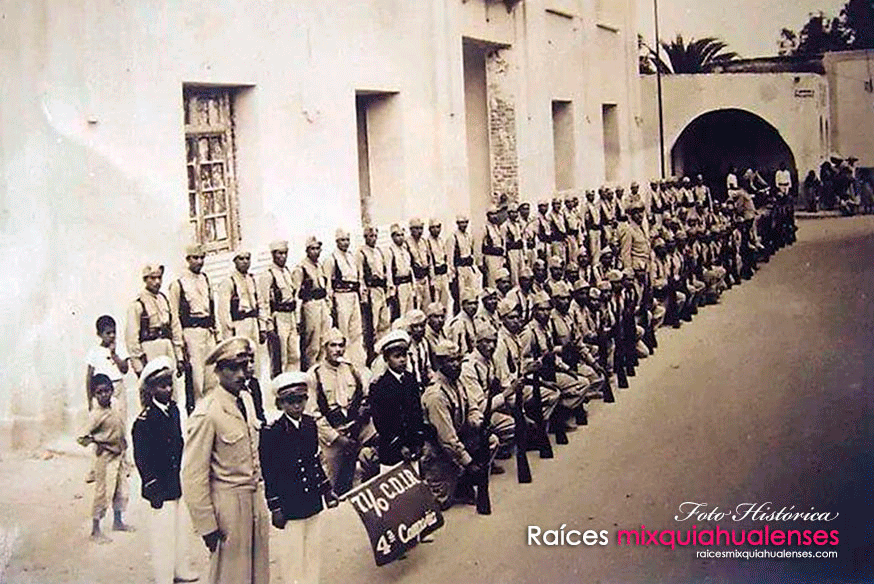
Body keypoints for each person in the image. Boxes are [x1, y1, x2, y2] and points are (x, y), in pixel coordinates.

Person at [182, 337, 269, 584]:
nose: (241, 374)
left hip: (254, 500)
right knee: (231, 576)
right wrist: (207, 525)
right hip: (228, 506)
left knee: (258, 574)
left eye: (244, 366)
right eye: (232, 368)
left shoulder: (247, 400)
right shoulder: (207, 412)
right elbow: (193, 475)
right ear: (218, 371)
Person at [260, 372, 339, 584]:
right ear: (280, 404)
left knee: (313, 550)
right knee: (292, 554)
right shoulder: (271, 432)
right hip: (290, 501)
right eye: (290, 401)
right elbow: (270, 472)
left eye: (301, 400)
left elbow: (315, 460)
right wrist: (275, 507)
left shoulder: (310, 424)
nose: (296, 406)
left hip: (311, 497)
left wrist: (327, 490)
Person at [132, 357, 198, 584]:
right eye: (162, 386)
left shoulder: (175, 411)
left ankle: (180, 568)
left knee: (180, 528)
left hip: (175, 480)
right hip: (159, 486)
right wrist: (152, 486)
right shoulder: (144, 421)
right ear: (150, 389)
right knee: (162, 532)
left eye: (169, 384)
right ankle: (164, 576)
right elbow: (142, 459)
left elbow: (178, 443)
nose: (168, 389)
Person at [420, 340, 492, 510]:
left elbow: (472, 407)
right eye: (450, 361)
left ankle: (462, 483)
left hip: (457, 442)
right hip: (439, 454)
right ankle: (458, 479)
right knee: (440, 502)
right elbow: (447, 439)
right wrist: (469, 463)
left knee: (490, 441)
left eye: (458, 359)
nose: (456, 364)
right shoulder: (436, 395)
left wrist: (476, 422)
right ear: (439, 363)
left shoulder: (457, 381)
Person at [305, 328, 377, 495]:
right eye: (333, 345)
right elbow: (313, 414)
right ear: (325, 348)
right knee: (334, 484)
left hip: (355, 431)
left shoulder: (352, 370)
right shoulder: (315, 375)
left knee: (368, 469)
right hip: (332, 436)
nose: (338, 350)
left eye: (341, 345)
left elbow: (365, 396)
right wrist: (336, 438)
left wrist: (362, 415)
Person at [77, 374, 133, 544]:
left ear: (112, 390)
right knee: (103, 492)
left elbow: (120, 426)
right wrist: (98, 442)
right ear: (94, 395)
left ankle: (118, 521)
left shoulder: (115, 405)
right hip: (105, 458)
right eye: (99, 392)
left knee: (121, 489)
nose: (104, 395)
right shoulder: (95, 415)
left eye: (107, 391)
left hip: (119, 455)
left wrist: (123, 444)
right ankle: (95, 530)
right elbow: (81, 437)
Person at [169, 243, 217, 411]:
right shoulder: (179, 284)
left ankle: (211, 413)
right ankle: (197, 413)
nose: (199, 261)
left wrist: (216, 334)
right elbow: (174, 317)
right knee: (197, 379)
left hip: (208, 332)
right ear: (188, 259)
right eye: (195, 258)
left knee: (212, 376)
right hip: (191, 333)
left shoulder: (205, 279)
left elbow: (212, 307)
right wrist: (179, 345)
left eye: (202, 258)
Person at [459, 322, 513, 469]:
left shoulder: (490, 360)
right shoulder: (470, 366)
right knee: (511, 425)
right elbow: (480, 407)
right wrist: (507, 394)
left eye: (494, 342)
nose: (491, 346)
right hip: (474, 415)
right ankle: (482, 458)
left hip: (489, 406)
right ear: (477, 343)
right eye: (487, 342)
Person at [369, 330, 427, 467]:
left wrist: (418, 441)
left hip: (412, 445)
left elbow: (416, 412)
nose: (402, 360)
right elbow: (381, 421)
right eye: (397, 356)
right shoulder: (379, 386)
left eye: (404, 355)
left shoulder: (410, 379)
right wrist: (398, 445)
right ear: (386, 359)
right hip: (391, 448)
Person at [126, 264, 181, 378]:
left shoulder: (164, 300)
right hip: (149, 349)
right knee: (154, 382)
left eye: (159, 278)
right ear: (145, 279)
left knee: (171, 382)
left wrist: (179, 357)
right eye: (152, 278)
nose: (157, 282)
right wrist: (138, 366)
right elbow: (132, 337)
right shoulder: (138, 303)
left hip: (167, 347)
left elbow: (175, 327)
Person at [323, 229, 365, 367]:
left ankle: (357, 361)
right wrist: (330, 302)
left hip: (353, 295)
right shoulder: (331, 259)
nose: (345, 243)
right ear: (337, 242)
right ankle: (344, 360)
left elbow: (359, 277)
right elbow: (328, 284)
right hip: (341, 296)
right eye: (342, 240)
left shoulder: (352, 257)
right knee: (343, 330)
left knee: (356, 330)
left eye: (347, 240)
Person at [258, 240, 301, 376]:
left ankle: (292, 382)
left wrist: (297, 319)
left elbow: (294, 297)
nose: (282, 256)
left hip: (290, 316)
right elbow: (264, 302)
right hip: (278, 317)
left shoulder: (287, 272)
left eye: (285, 253)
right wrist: (267, 327)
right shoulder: (268, 275)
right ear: (273, 255)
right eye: (279, 253)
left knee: (294, 355)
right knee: (280, 357)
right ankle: (278, 384)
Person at [218, 251, 263, 375]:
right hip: (239, 323)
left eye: (247, 259)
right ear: (235, 261)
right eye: (241, 259)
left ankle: (256, 383)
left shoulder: (252, 279)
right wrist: (229, 333)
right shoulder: (229, 282)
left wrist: (262, 327)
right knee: (240, 358)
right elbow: (223, 311)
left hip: (253, 322)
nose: (245, 262)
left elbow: (260, 303)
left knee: (255, 358)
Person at [292, 236, 332, 371]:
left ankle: (321, 369)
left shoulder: (319, 266)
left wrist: (328, 304)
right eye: (312, 249)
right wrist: (297, 318)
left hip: (322, 303)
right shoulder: (301, 268)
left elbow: (325, 286)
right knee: (312, 342)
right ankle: (310, 370)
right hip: (310, 304)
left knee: (324, 339)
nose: (315, 251)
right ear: (307, 250)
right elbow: (296, 295)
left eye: (317, 248)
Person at [359, 226, 392, 362]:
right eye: (370, 236)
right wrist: (364, 296)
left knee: (384, 322)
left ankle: (383, 351)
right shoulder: (361, 253)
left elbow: (385, 271)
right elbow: (361, 276)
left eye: (374, 236)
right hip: (371, 291)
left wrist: (388, 290)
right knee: (372, 324)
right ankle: (371, 355)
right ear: (365, 237)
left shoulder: (379, 251)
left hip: (381, 290)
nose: (373, 239)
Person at [447, 214, 480, 312]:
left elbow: (472, 252)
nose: (464, 225)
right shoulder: (453, 237)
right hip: (459, 270)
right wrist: (452, 275)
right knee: (460, 295)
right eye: (461, 223)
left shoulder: (469, 236)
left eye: (465, 223)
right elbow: (450, 258)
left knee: (472, 293)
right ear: (457, 223)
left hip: (469, 268)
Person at [426, 219, 453, 315]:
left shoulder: (441, 241)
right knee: (436, 302)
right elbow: (430, 261)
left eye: (438, 227)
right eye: (433, 227)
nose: (436, 230)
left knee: (445, 301)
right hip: (435, 275)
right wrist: (432, 279)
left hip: (444, 274)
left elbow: (446, 258)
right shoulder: (427, 242)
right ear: (429, 229)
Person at [407, 218, 433, 310]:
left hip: (425, 278)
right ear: (411, 229)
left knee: (427, 305)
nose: (419, 231)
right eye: (416, 228)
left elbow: (430, 260)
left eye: (421, 228)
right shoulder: (407, 243)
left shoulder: (424, 242)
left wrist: (431, 278)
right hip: (415, 279)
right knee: (416, 306)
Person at [481, 205, 506, 288]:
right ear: (487, 215)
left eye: (495, 214)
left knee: (501, 278)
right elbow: (479, 246)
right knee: (492, 279)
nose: (494, 216)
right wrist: (480, 262)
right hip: (491, 257)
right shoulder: (484, 227)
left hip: (499, 257)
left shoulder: (497, 227)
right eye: (492, 214)